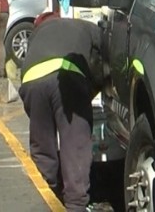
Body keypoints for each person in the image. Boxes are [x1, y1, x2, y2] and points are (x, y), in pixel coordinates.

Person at [18, 16, 104, 212]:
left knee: (42, 145)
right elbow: (106, 46)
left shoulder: (37, 33)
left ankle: (45, 195)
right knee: (75, 146)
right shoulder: (84, 26)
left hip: (31, 81)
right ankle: (75, 205)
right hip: (67, 76)